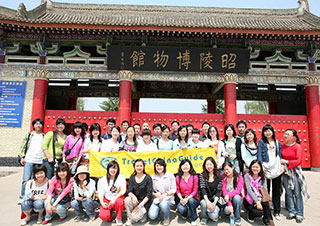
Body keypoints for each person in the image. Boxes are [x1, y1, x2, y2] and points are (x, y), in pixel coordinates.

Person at [281, 129, 307, 223]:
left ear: (293, 136)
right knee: (288, 192)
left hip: (295, 171)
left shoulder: (297, 146)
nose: (286, 135)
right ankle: (292, 211)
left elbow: (298, 161)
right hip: (285, 171)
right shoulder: (282, 146)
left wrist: (287, 162)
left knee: (297, 192)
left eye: (288, 134)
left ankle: (299, 213)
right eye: (285, 133)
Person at [257, 124, 283, 221]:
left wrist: (282, 166)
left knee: (276, 190)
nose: (268, 133)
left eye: (269, 131)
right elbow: (259, 155)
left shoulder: (277, 142)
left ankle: (277, 211)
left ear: (272, 131)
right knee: (265, 190)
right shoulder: (261, 142)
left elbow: (279, 156)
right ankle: (267, 210)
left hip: (276, 168)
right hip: (266, 167)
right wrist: (261, 166)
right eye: (265, 131)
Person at [18, 118, 45, 203]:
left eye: (40, 124)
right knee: (26, 179)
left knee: (38, 179)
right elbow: (23, 146)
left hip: (39, 160)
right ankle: (23, 196)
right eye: (36, 124)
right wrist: (22, 157)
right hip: (29, 159)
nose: (38, 125)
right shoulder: (29, 135)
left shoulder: (44, 136)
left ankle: (35, 196)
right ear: (33, 125)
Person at [148, 159, 176, 226]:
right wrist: (155, 194)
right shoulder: (153, 177)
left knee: (163, 204)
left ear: (164, 166)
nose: (159, 167)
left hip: (168, 199)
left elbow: (174, 189)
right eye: (157, 166)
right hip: (157, 199)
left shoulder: (169, 175)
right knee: (152, 216)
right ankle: (160, 212)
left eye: (161, 165)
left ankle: (166, 217)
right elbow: (150, 191)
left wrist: (165, 194)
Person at [125, 159, 153, 225]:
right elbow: (129, 191)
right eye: (137, 166)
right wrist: (133, 197)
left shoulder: (148, 178)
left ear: (143, 167)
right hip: (135, 201)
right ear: (134, 167)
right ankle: (129, 218)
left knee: (138, 219)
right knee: (127, 199)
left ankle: (138, 216)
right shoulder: (132, 177)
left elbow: (149, 194)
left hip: (144, 203)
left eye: (141, 166)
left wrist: (141, 205)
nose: (139, 167)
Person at [244, 160, 272, 226]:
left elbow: (265, 189)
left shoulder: (263, 177)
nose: (255, 169)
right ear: (250, 167)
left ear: (260, 168)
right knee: (257, 212)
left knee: (266, 204)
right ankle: (250, 215)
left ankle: (266, 220)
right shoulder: (247, 176)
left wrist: (260, 199)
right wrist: (257, 201)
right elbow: (249, 190)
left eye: (257, 167)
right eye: (253, 167)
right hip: (249, 199)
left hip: (260, 197)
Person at [99, 161, 126, 225]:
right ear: (108, 169)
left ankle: (118, 218)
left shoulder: (121, 177)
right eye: (111, 168)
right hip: (107, 200)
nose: (113, 170)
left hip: (117, 199)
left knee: (120, 202)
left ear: (117, 169)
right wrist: (102, 202)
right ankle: (110, 215)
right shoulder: (103, 179)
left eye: (115, 168)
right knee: (104, 216)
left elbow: (123, 190)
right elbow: (101, 192)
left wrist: (114, 199)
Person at [199, 157, 224, 225]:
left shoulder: (219, 177)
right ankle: (204, 217)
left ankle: (211, 212)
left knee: (214, 216)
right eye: (207, 165)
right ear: (204, 166)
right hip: (205, 198)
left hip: (215, 200)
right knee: (204, 204)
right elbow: (203, 189)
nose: (209, 166)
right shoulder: (202, 175)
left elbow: (219, 191)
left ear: (214, 165)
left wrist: (214, 203)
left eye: (210, 164)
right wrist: (207, 201)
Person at [176, 159, 199, 226]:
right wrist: (181, 199)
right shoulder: (178, 177)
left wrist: (187, 199)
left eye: (187, 165)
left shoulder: (194, 177)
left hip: (193, 198)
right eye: (183, 165)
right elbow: (177, 190)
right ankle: (185, 214)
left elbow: (195, 190)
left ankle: (193, 218)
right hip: (182, 198)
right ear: (181, 167)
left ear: (190, 166)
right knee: (180, 209)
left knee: (191, 201)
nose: (185, 167)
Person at [222, 161, 244, 226]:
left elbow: (239, 190)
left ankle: (237, 219)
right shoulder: (222, 177)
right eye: (224, 170)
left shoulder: (239, 177)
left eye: (228, 169)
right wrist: (229, 204)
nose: (226, 171)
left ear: (232, 168)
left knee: (237, 197)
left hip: (235, 199)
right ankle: (232, 214)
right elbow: (224, 191)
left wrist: (229, 195)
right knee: (226, 211)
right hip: (226, 199)